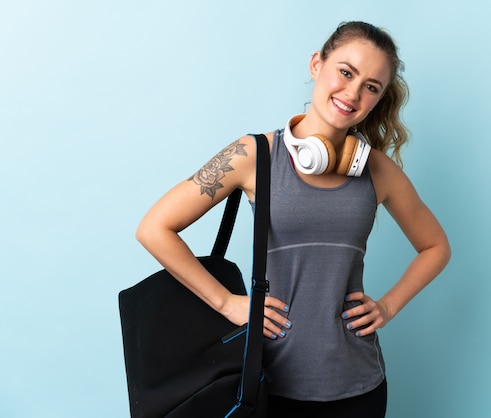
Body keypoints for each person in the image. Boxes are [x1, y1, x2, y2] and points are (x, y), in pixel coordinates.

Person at [136, 21, 451, 418]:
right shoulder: (253, 156)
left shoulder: (377, 170)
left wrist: (387, 306)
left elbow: (436, 246)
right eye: (346, 71)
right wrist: (227, 302)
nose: (352, 93)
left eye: (371, 86)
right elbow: (154, 228)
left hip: (359, 388)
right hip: (268, 388)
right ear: (317, 64)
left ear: (379, 99)